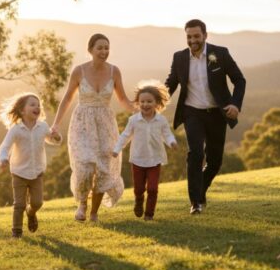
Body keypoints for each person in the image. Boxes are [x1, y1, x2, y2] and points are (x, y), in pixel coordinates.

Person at [50, 33, 134, 222]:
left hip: (105, 123)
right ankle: (82, 203)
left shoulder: (114, 71)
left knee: (104, 168)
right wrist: (55, 123)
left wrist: (143, 110)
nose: (104, 51)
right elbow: (67, 98)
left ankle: (94, 212)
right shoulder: (79, 71)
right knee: (84, 166)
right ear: (90, 50)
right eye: (100, 48)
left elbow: (123, 100)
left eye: (107, 47)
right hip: (82, 123)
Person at [165, 19, 246, 215]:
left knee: (215, 161)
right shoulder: (179, 58)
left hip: (217, 113)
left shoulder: (220, 53)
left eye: (196, 36)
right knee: (196, 154)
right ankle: (196, 202)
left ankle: (200, 191)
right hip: (192, 112)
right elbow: (171, 83)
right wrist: (152, 101)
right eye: (189, 37)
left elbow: (239, 80)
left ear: (205, 36)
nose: (192, 40)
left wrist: (235, 104)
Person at [0, 93, 61, 238]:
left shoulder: (43, 126)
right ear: (22, 111)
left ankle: (31, 212)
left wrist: (56, 136)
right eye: (32, 105)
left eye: (38, 105)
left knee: (37, 202)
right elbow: (5, 147)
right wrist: (2, 158)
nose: (37, 107)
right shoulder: (16, 129)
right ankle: (17, 232)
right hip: (19, 173)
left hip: (37, 172)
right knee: (19, 204)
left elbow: (51, 139)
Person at [112, 81, 177, 221]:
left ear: (156, 103)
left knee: (153, 189)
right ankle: (139, 201)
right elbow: (125, 136)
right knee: (139, 189)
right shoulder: (134, 120)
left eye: (149, 101)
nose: (145, 104)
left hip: (155, 160)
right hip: (138, 160)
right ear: (138, 102)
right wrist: (117, 149)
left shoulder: (161, 120)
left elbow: (167, 134)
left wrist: (172, 142)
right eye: (142, 101)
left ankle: (149, 214)